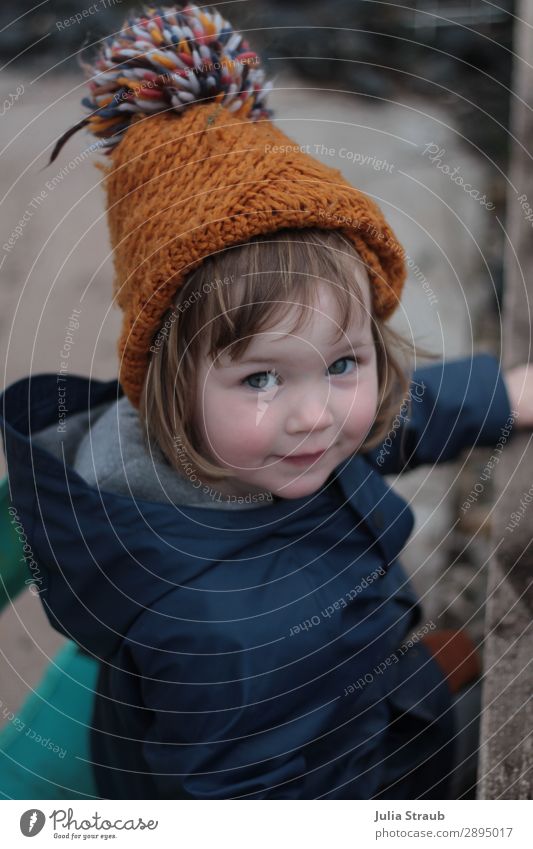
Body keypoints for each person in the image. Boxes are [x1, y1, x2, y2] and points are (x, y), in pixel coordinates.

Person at [1, 3, 531, 800]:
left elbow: (387, 417)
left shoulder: (257, 445)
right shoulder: (219, 638)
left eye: (343, 361)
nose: (316, 415)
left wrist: (503, 393)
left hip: (354, 699)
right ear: (170, 381)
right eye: (260, 377)